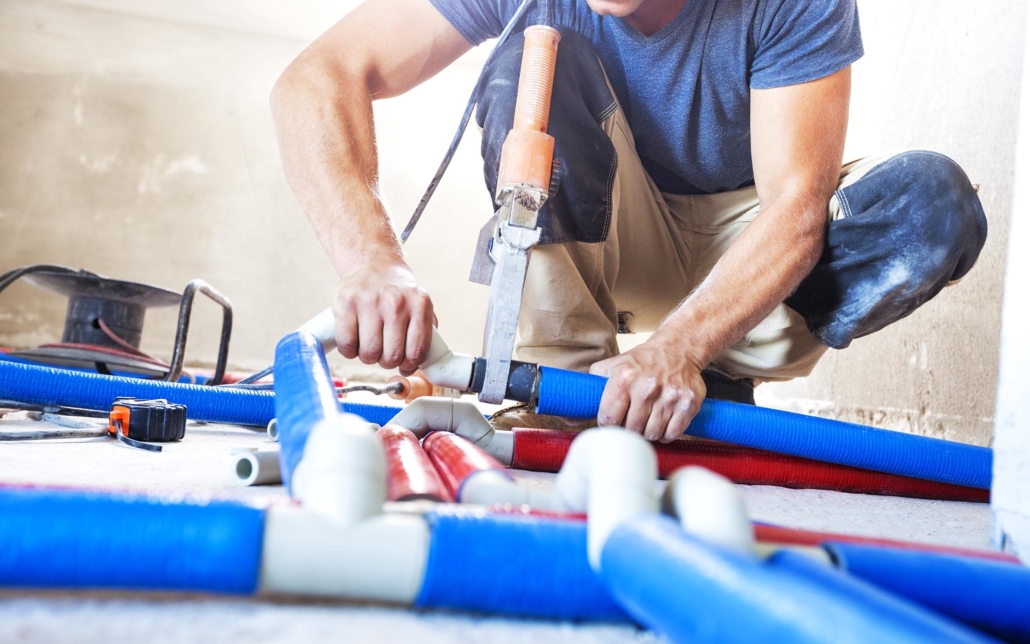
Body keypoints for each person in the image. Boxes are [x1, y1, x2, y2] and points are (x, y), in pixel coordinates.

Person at [270, 0, 987, 442]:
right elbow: (320, 75)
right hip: (621, 231)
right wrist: (373, 260)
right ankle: (565, 387)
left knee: (932, 207)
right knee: (533, 60)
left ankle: (711, 367)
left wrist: (681, 346)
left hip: (753, 248)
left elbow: (797, 209)